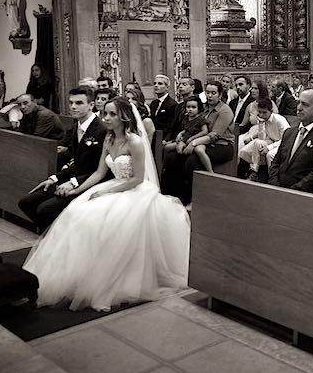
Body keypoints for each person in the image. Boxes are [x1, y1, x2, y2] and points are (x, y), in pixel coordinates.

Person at [22, 97, 190, 312]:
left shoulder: (135, 142)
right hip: (112, 185)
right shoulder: (109, 140)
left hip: (134, 190)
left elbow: (138, 178)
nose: (106, 118)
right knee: (76, 212)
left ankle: (112, 279)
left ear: (124, 116)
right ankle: (80, 274)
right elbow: (100, 172)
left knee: (108, 221)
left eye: (112, 114)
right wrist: (78, 191)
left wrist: (107, 191)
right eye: (105, 114)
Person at [19, 87, 106, 232]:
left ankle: (65, 236)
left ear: (91, 105)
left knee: (44, 210)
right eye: (71, 102)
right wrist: (54, 178)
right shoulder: (76, 126)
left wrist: (73, 183)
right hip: (73, 178)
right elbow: (75, 162)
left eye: (78, 103)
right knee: (26, 202)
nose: (73, 107)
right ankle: (58, 235)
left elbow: (99, 170)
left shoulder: (101, 130)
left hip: (91, 183)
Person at [161, 81, 234, 205]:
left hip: (222, 146)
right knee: (172, 157)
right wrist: (182, 138)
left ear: (220, 94)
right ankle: (171, 196)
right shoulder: (202, 108)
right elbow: (192, 126)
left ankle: (194, 200)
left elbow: (214, 136)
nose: (210, 96)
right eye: (208, 93)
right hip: (201, 143)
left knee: (192, 161)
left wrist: (193, 143)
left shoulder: (224, 110)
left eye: (213, 93)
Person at [269, 88, 313, 193]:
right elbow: (276, 162)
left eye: (305, 105)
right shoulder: (289, 132)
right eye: (299, 103)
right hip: (278, 191)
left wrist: (292, 191)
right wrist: (275, 185)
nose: (299, 108)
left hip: (303, 196)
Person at [166, 97, 213, 173]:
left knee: (200, 152)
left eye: (193, 107)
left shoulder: (200, 119)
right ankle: (164, 168)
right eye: (188, 107)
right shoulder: (186, 118)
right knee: (168, 147)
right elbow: (186, 129)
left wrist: (192, 139)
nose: (190, 109)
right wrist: (180, 133)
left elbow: (205, 131)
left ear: (199, 108)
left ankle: (210, 171)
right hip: (185, 140)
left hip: (198, 141)